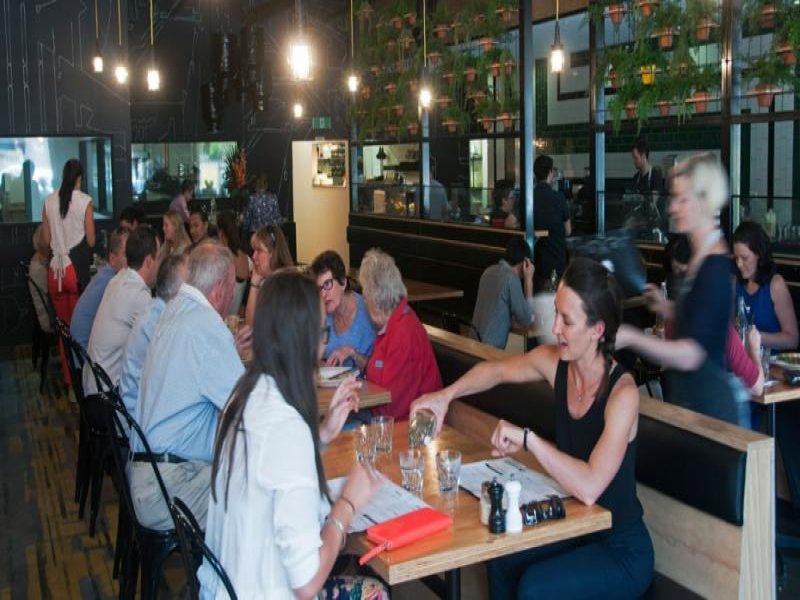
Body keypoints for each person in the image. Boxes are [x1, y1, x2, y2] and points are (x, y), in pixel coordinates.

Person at [411, 257, 653, 599]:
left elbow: (589, 487)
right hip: (576, 526)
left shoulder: (622, 393)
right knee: (501, 558)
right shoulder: (557, 363)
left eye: (567, 320)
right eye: (556, 313)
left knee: (534, 588)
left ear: (597, 330)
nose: (555, 328)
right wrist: (445, 396)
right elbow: (495, 371)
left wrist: (529, 440)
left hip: (621, 548)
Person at [199, 270, 386, 599]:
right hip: (261, 591)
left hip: (225, 586)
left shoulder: (243, 395)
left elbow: (271, 467)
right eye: (323, 333)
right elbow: (306, 582)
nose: (324, 344)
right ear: (304, 340)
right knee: (375, 591)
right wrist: (347, 504)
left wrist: (323, 433)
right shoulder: (287, 429)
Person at [130, 242, 252, 530]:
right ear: (219, 289)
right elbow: (249, 408)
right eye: (232, 288)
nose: (233, 296)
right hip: (170, 486)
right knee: (261, 489)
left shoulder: (174, 309)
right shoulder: (205, 324)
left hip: (149, 475)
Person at [616, 153, 739, 424]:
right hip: (692, 404)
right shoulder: (701, 258)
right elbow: (699, 317)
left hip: (710, 412)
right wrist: (666, 306)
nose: (672, 208)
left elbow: (691, 354)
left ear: (703, 201)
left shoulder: (714, 267)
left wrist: (631, 337)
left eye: (682, 199)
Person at [358, 249, 442, 420]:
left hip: (415, 427)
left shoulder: (403, 332)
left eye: (364, 294)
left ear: (375, 297)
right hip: (392, 421)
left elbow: (392, 407)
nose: (363, 300)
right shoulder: (391, 325)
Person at [85, 224, 160, 392]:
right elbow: (160, 344)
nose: (160, 264)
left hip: (93, 384)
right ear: (149, 261)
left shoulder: (118, 279)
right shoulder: (138, 295)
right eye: (159, 257)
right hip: (106, 395)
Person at [41, 159, 95, 385]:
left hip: (55, 273)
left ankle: (70, 382)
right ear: (79, 178)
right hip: (75, 270)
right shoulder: (85, 201)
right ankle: (82, 380)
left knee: (63, 330)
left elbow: (45, 241)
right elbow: (91, 241)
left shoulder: (48, 201)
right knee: (80, 327)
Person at [119, 253, 188, 416]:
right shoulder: (159, 324)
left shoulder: (155, 309)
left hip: (132, 403)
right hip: (136, 417)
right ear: (177, 292)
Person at [733, 221, 798, 351]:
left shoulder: (776, 285)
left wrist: (756, 338)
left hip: (771, 360)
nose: (739, 264)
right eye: (736, 258)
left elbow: (792, 340)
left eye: (744, 258)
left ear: (759, 255)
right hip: (742, 360)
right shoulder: (734, 283)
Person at [309, 250, 376, 369]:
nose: (323, 295)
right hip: (328, 381)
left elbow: (381, 369)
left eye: (327, 284)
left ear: (343, 282)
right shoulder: (320, 314)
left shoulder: (370, 312)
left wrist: (352, 353)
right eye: (319, 289)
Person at [70, 226, 129, 351]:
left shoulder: (105, 274)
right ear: (112, 259)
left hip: (77, 350)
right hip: (85, 355)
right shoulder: (112, 282)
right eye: (126, 255)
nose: (131, 260)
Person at [472, 237, 535, 349]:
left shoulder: (488, 271)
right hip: (490, 350)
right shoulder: (511, 279)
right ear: (525, 262)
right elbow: (526, 319)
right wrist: (529, 280)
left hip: (473, 343)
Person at [532, 155, 571, 291]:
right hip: (556, 260)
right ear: (550, 173)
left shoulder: (529, 197)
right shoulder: (559, 197)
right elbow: (568, 231)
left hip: (535, 262)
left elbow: (510, 222)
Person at [245, 224, 294, 326]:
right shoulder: (266, 280)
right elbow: (249, 327)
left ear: (273, 253)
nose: (253, 256)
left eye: (259, 251)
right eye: (254, 250)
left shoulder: (284, 287)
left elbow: (253, 328)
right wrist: (254, 283)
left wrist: (254, 285)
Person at [216, 210, 252, 315]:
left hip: (223, 315)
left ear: (220, 233)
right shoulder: (246, 257)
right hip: (238, 316)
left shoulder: (222, 258)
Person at [630, 138, 667, 238]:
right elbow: (632, 203)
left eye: (635, 158)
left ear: (643, 156)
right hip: (640, 225)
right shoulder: (636, 178)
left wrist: (641, 199)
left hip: (655, 226)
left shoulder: (655, 174)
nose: (634, 161)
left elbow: (653, 202)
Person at [29, 225, 52, 333]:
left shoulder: (39, 257)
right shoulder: (39, 268)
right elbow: (53, 293)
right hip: (49, 318)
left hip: (50, 311)